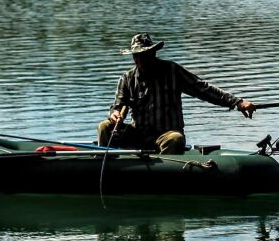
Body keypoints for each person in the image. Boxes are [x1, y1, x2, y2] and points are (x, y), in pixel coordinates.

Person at [97, 33, 255, 154]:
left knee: (175, 139)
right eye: (137, 56)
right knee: (104, 126)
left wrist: (237, 102)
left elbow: (203, 89)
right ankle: (103, 164)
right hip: (137, 134)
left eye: (144, 55)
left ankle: (163, 173)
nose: (140, 60)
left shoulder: (172, 71)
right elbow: (117, 106)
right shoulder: (127, 79)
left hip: (164, 134)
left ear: (153, 53)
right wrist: (115, 113)